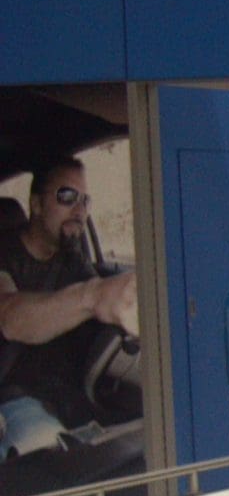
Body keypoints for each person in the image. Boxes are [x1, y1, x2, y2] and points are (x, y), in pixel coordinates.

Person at [0, 158, 139, 435]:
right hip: (14, 398)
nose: (79, 210)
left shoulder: (71, 259)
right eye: (67, 196)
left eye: (85, 200)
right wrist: (92, 296)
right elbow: (9, 316)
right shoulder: (5, 251)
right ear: (36, 204)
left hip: (69, 397)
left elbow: (106, 303)